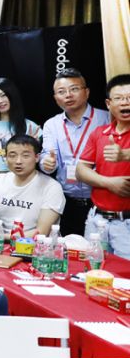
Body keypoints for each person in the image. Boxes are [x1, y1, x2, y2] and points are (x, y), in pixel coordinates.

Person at [40, 68, 109, 236]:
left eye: (74, 89)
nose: (68, 95)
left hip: (100, 200)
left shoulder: (107, 119)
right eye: (61, 92)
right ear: (56, 98)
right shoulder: (52, 124)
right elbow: (46, 156)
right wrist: (46, 164)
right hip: (66, 201)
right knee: (68, 247)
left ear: (87, 92)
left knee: (98, 247)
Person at [77, 74, 130, 257]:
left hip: (127, 223)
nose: (125, 103)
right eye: (119, 98)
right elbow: (81, 170)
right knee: (93, 269)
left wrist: (125, 154)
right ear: (109, 104)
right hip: (96, 220)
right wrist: (109, 183)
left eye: (129, 97)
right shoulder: (99, 133)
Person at [0, 135, 64, 237]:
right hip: (2, 243)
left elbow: (41, 232)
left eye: (25, 156)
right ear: (5, 157)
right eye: (12, 155)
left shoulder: (52, 187)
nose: (18, 161)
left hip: (35, 245)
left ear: (37, 157)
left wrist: (1, 236)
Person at [0, 78, 41, 178]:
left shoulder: (29, 126)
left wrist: (34, 145)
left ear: (12, 95)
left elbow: (39, 158)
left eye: (3, 95)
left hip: (20, 181)